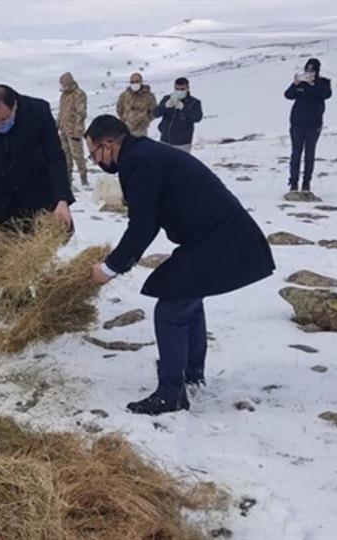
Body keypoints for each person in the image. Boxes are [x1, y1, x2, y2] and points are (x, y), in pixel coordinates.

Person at [84, 115, 275, 415]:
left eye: (93, 154)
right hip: (220, 235)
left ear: (107, 145)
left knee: (171, 309)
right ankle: (191, 374)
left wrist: (109, 268)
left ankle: (170, 394)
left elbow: (143, 225)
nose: (95, 162)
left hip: (220, 238)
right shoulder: (144, 152)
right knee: (187, 298)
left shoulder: (138, 162)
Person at [0, 84, 75, 233]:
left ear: (14, 106)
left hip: (36, 193)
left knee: (38, 250)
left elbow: (55, 156)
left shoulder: (38, 112)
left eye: (3, 120)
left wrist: (62, 200)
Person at [284, 58, 332, 193]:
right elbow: (288, 95)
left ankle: (306, 184)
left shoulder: (323, 83)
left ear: (317, 71)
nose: (309, 72)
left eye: (312, 70)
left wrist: (312, 85)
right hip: (297, 124)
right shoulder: (301, 83)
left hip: (314, 125)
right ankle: (293, 183)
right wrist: (295, 84)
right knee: (295, 154)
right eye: (307, 69)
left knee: (309, 155)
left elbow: (326, 94)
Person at [153, 77, 204, 154]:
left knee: (180, 165)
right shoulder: (167, 98)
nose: (179, 91)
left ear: (187, 88)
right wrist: (165, 106)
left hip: (182, 143)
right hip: (165, 140)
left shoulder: (194, 102)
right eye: (177, 89)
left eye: (182, 89)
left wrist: (184, 108)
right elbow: (155, 113)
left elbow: (197, 118)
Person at [57, 72, 90, 188]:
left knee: (78, 155)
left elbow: (81, 114)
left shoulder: (79, 95)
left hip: (74, 131)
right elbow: (61, 112)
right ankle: (68, 180)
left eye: (63, 84)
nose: (61, 87)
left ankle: (84, 178)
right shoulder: (63, 96)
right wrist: (57, 125)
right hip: (64, 130)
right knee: (65, 155)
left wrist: (78, 130)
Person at [116, 72, 157, 137]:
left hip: (140, 130)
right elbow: (119, 109)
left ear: (141, 81)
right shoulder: (124, 95)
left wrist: (145, 122)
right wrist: (124, 120)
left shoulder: (149, 96)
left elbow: (154, 111)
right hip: (126, 128)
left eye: (137, 81)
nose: (134, 83)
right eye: (132, 82)